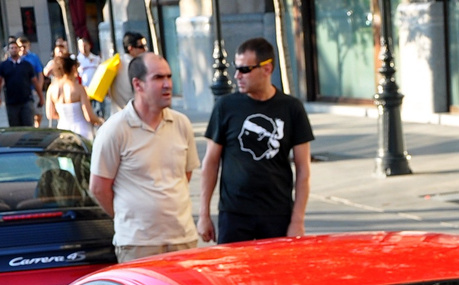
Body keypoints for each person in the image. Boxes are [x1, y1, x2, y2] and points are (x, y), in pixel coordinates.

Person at [198, 38, 313, 245]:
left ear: (267, 69)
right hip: (234, 215)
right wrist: (204, 215)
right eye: (236, 68)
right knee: (232, 275)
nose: (237, 76)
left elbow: (303, 169)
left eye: (245, 69)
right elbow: (210, 163)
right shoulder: (226, 106)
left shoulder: (291, 108)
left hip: (277, 215)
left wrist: (297, 220)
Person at [90, 52, 198, 262]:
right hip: (138, 245)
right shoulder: (114, 129)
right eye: (158, 78)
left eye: (169, 77)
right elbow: (98, 188)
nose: (167, 84)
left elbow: (184, 176)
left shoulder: (182, 124)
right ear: (138, 85)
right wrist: (130, 218)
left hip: (183, 239)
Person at [46, 55, 100, 138]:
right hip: (82, 129)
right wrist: (100, 121)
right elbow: (89, 116)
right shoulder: (79, 89)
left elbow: (50, 114)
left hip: (63, 128)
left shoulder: (51, 88)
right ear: (73, 68)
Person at [0, 38, 41, 127]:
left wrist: (41, 97)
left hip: (26, 100)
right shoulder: (4, 65)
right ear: (8, 50)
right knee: (15, 126)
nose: (14, 50)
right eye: (11, 48)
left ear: (19, 49)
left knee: (28, 125)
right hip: (11, 101)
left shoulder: (27, 65)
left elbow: (34, 81)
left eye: (15, 48)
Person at [106, 32, 150, 110]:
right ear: (131, 49)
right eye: (141, 47)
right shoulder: (136, 67)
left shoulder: (114, 63)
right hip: (134, 114)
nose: (145, 49)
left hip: (116, 113)